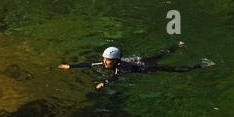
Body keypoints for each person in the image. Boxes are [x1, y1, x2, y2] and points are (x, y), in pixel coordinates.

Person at [58, 44, 210, 89]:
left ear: (116, 60)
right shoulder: (112, 62)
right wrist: (70, 66)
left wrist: (103, 83)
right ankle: (178, 45)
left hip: (146, 68)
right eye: (104, 59)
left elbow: (115, 77)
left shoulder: (120, 68)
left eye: (107, 61)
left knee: (170, 68)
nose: (104, 62)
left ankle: (200, 65)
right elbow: (88, 64)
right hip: (140, 60)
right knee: (159, 54)